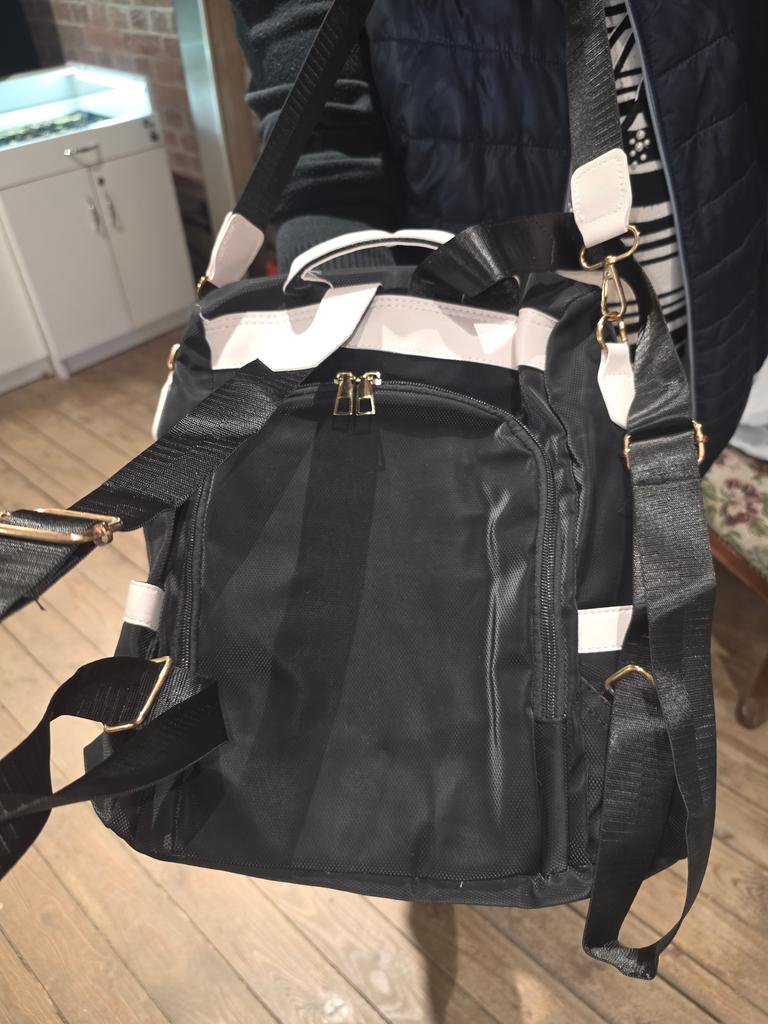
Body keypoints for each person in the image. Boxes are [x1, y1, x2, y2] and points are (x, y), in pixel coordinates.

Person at [230, 0, 768, 461]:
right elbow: (320, 132)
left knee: (662, 494)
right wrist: (365, 374)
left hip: (705, 313)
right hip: (461, 376)